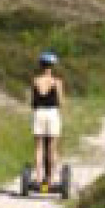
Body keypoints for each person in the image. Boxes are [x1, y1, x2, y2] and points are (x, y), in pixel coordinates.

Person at [32, 50, 66, 187]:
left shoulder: (35, 80)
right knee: (52, 147)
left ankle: (39, 177)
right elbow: (62, 102)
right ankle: (51, 178)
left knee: (39, 147)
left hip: (39, 113)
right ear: (52, 66)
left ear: (41, 65)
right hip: (52, 113)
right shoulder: (56, 82)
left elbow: (33, 100)